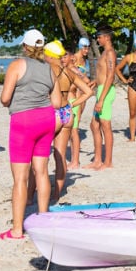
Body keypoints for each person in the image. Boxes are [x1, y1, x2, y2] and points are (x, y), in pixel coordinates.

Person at [0, 29, 62, 239]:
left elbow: (5, 98)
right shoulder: (50, 69)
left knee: (20, 178)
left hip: (23, 121)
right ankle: (43, 219)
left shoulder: (17, 65)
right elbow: (57, 103)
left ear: (25, 46)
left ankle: (17, 229)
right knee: (42, 172)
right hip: (46, 120)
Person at [44, 41, 94, 201]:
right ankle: (57, 194)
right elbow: (88, 91)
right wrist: (73, 104)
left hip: (52, 112)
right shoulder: (70, 72)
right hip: (67, 112)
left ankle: (33, 193)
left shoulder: (48, 71)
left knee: (41, 155)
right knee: (60, 156)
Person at [85, 25, 117, 170]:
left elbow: (111, 76)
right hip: (101, 89)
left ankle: (108, 162)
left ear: (107, 37)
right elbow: (103, 75)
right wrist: (95, 82)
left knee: (105, 126)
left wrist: (102, 99)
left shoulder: (110, 53)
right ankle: (97, 159)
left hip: (106, 92)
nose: (98, 39)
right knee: (94, 125)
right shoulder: (104, 52)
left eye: (99, 37)